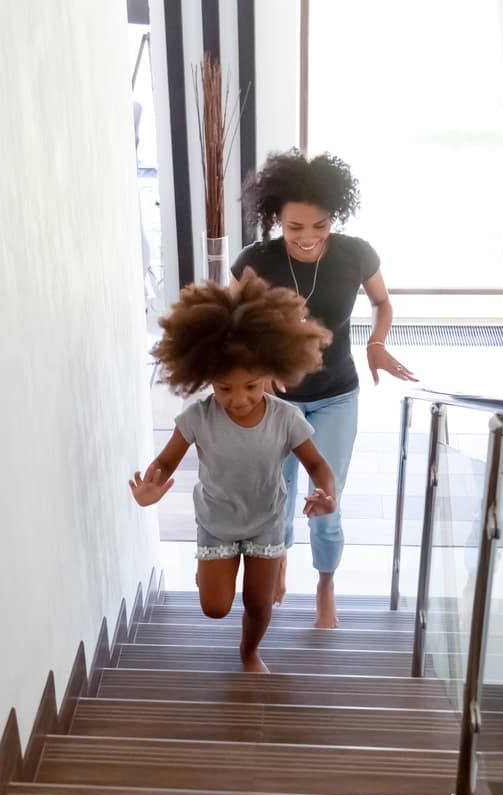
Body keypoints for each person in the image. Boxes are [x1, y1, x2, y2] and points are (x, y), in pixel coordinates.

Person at [232, 149, 416, 628]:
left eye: (320, 225)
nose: (309, 237)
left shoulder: (356, 254)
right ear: (276, 220)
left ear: (335, 216)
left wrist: (377, 342)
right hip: (274, 402)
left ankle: (326, 583)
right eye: (295, 228)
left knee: (325, 498)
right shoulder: (255, 261)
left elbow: (382, 302)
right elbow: (227, 322)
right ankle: (281, 560)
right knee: (278, 495)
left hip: (337, 394)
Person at [129, 276, 338, 673]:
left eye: (251, 386)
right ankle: (211, 575)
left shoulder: (286, 418)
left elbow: (317, 465)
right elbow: (167, 462)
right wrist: (151, 486)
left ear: (273, 371)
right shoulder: (197, 417)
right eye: (224, 389)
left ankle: (249, 653)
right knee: (214, 608)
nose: (238, 399)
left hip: (266, 521)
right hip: (217, 522)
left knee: (259, 603)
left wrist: (326, 493)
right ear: (204, 377)